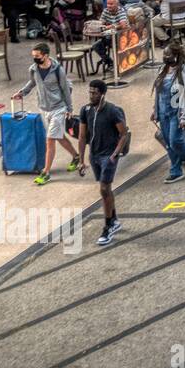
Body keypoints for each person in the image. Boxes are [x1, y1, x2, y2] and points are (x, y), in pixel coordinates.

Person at [13, 41, 83, 185]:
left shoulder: (58, 71)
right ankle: (76, 156)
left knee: (50, 139)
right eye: (33, 56)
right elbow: (32, 83)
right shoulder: (33, 69)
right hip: (44, 108)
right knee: (58, 136)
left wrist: (69, 109)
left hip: (58, 108)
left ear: (45, 56)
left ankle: (46, 172)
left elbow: (65, 90)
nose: (35, 59)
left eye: (37, 56)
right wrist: (22, 93)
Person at [77, 79, 129, 247]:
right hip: (95, 155)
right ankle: (114, 219)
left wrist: (115, 154)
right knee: (106, 190)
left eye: (95, 93)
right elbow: (83, 136)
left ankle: (108, 226)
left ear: (102, 94)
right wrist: (81, 159)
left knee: (104, 188)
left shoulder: (113, 111)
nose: (91, 95)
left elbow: (123, 133)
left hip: (109, 155)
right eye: (90, 92)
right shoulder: (85, 110)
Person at [152, 43, 185, 184]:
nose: (166, 58)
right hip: (163, 111)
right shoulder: (162, 69)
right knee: (168, 144)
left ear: (177, 56)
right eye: (164, 55)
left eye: (169, 55)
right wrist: (155, 110)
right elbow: (158, 92)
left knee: (175, 141)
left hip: (177, 113)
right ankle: (175, 171)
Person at [92, 0, 129, 76]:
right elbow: (101, 23)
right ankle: (110, 63)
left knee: (115, 46)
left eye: (111, 4)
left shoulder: (121, 11)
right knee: (96, 46)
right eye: (108, 4)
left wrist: (110, 26)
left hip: (122, 37)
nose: (109, 6)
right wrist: (100, 26)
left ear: (117, 4)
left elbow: (123, 25)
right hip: (109, 37)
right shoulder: (105, 11)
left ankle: (120, 66)